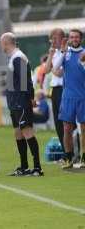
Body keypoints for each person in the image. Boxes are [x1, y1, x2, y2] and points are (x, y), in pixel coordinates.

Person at [0, 32, 43, 176]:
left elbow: (26, 80)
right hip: (14, 102)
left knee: (26, 130)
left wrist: (30, 98)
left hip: (21, 101)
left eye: (1, 43)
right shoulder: (13, 57)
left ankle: (37, 167)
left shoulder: (18, 57)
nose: (1, 46)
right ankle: (24, 167)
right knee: (18, 133)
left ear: (6, 43)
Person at [52, 29, 85, 169]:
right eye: (72, 37)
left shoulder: (84, 53)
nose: (74, 39)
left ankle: (83, 157)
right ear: (69, 39)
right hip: (67, 97)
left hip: (83, 96)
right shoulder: (65, 53)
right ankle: (68, 157)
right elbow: (55, 68)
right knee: (66, 128)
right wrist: (63, 51)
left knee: (84, 128)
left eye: (77, 37)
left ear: (81, 39)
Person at [45, 28, 66, 153]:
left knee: (66, 122)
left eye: (56, 38)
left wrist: (52, 67)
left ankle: (71, 151)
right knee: (58, 122)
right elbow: (46, 69)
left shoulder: (66, 52)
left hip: (64, 89)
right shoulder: (54, 53)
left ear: (62, 38)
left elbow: (58, 73)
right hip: (55, 90)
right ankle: (65, 152)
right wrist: (51, 55)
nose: (53, 41)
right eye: (52, 39)